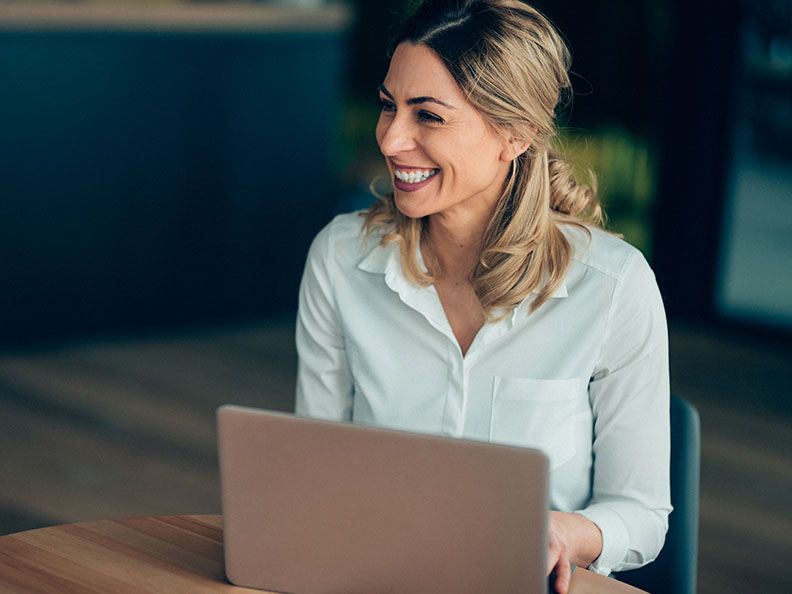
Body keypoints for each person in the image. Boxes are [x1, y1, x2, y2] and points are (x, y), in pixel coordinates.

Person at [295, 1, 671, 592]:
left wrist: (567, 533)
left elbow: (641, 515)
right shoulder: (341, 259)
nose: (392, 139)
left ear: (515, 133)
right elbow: (312, 467)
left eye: (429, 116)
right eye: (389, 106)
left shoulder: (613, 285)